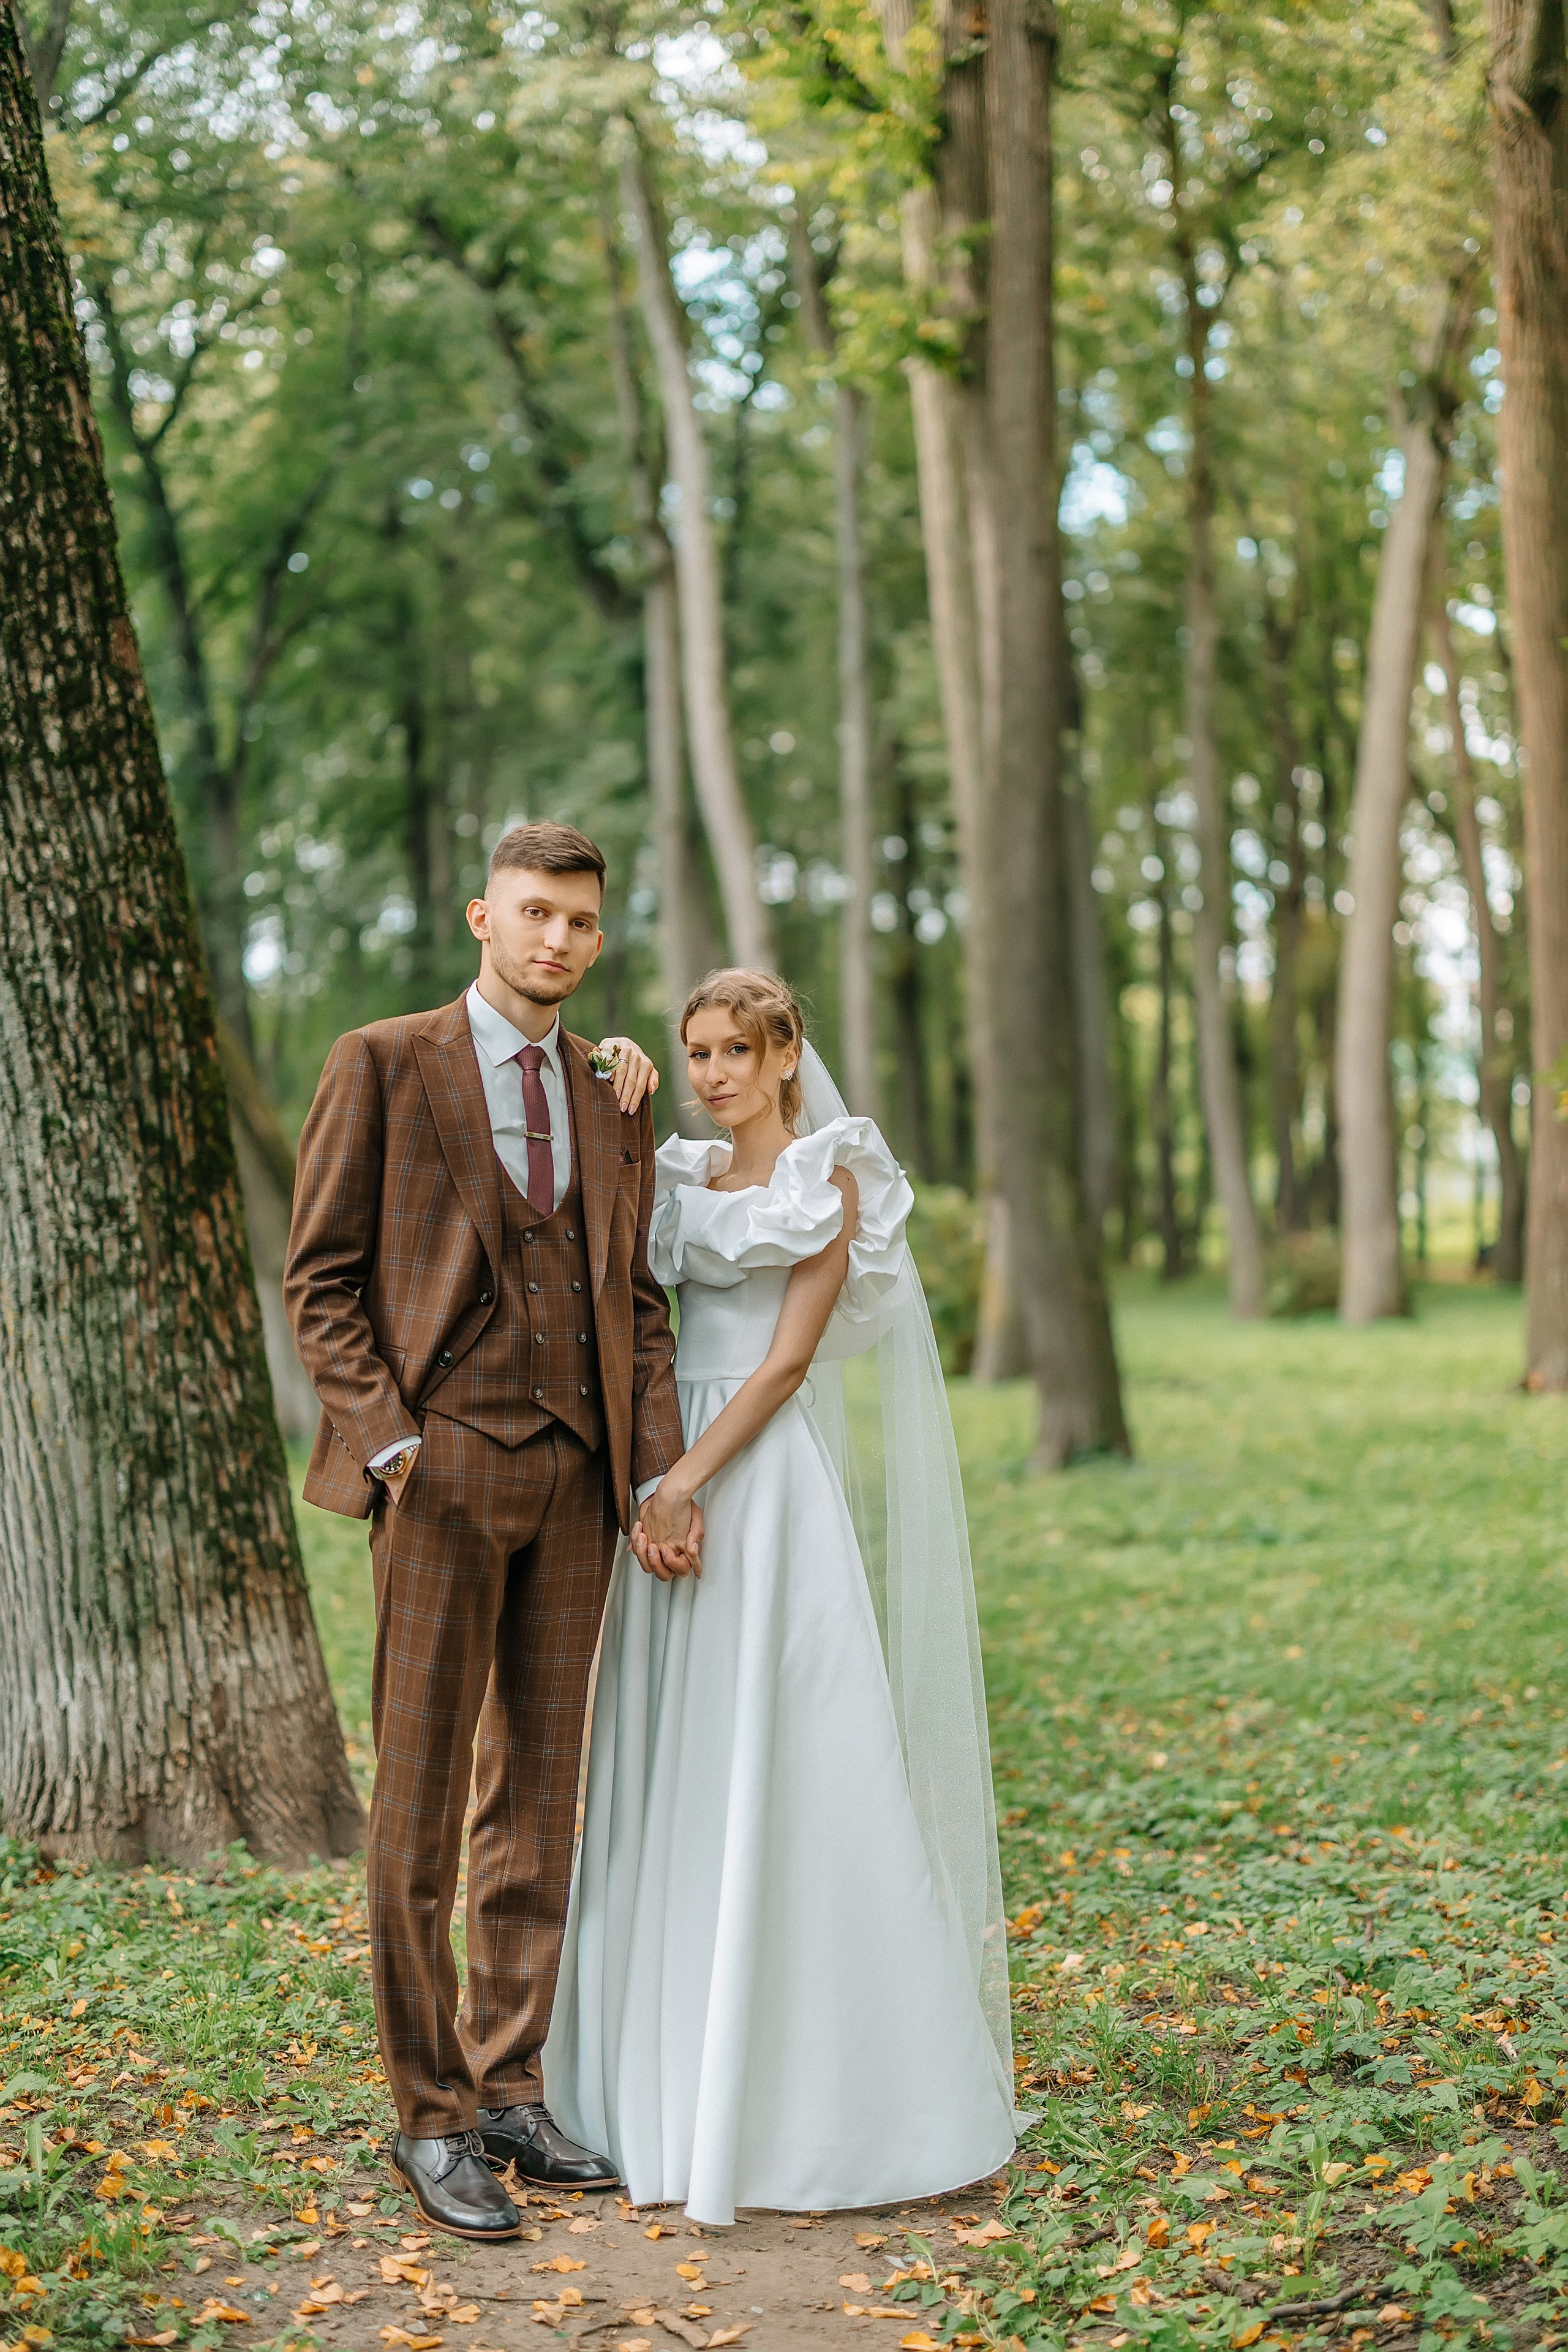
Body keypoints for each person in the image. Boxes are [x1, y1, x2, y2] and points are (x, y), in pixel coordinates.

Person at [544, 967, 1016, 2226]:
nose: (710, 1074)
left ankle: (817, 2096)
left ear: (784, 1052)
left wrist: (686, 1482)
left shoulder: (830, 1175)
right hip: (666, 1470)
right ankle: (650, 2080)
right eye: (695, 1052)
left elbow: (787, 1357)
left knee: (785, 1758)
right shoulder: (686, 1174)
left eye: (733, 1052)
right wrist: (620, 1067)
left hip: (747, 1475)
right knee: (672, 1762)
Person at [283, 822, 701, 2242]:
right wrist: (395, 1445)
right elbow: (321, 1281)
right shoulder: (383, 1061)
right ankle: (429, 2117)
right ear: (481, 916)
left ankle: (511, 2085)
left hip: (577, 1478)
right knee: (411, 1808)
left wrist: (649, 1474)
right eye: (533, 914)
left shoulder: (610, 1091)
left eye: (579, 922)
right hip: (441, 1471)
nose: (557, 942)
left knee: (538, 1800)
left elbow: (637, 1303)